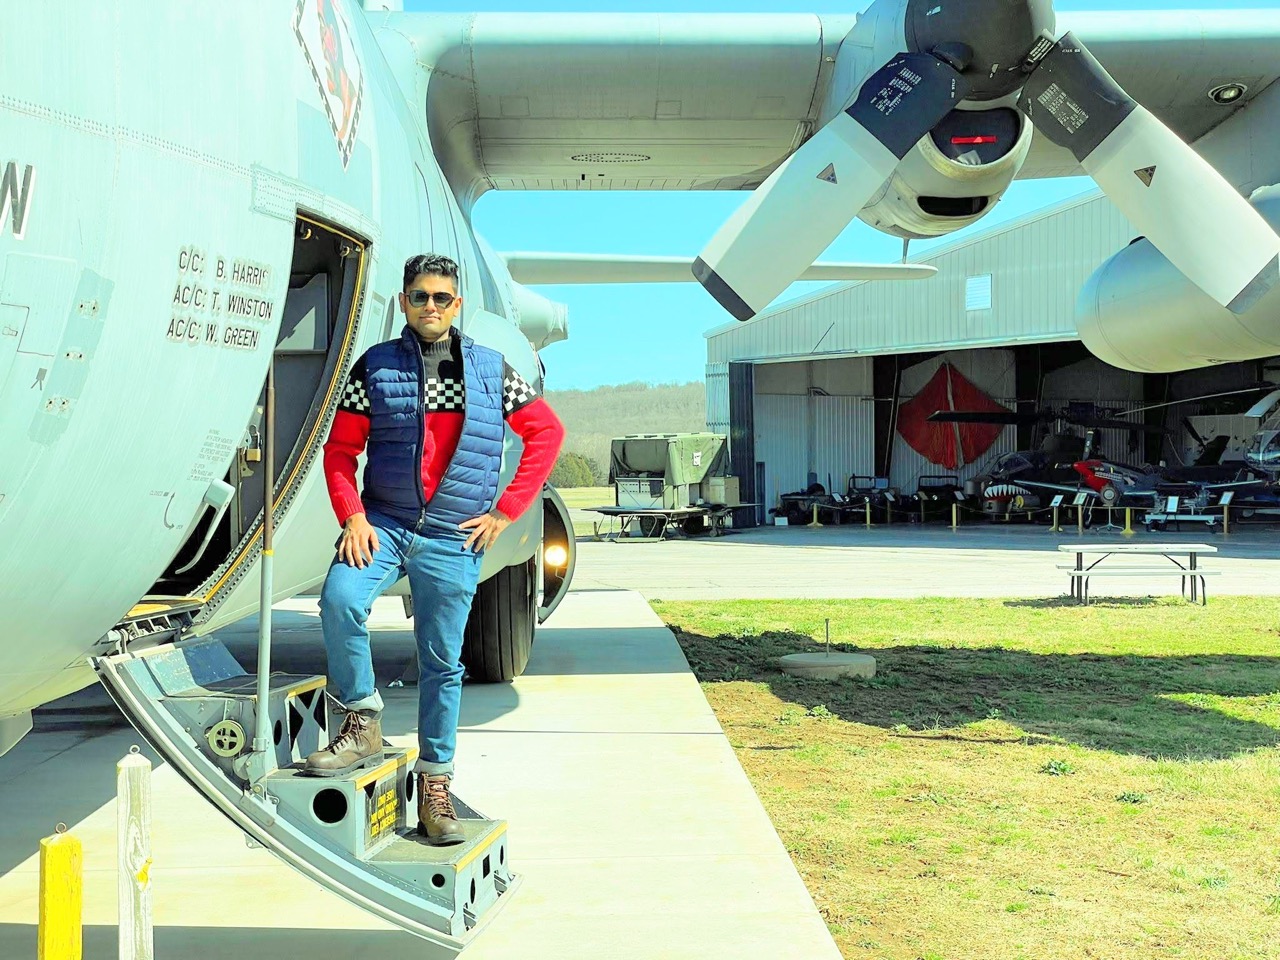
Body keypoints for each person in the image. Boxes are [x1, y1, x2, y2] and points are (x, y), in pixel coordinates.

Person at [304, 253, 564, 846]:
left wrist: (507, 510)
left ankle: (436, 786)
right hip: (388, 526)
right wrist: (353, 516)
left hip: (454, 537)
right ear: (403, 302)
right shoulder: (376, 368)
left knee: (442, 664)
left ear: (457, 304)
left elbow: (545, 433)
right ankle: (362, 720)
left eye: (441, 298)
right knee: (341, 600)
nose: (430, 307)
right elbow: (340, 449)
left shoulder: (492, 370)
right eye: (420, 297)